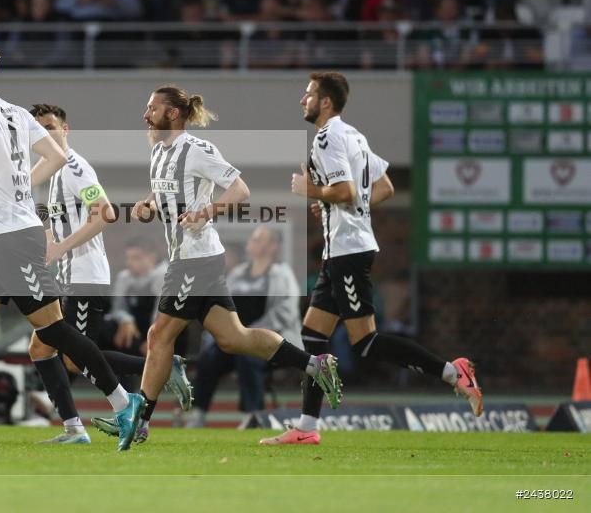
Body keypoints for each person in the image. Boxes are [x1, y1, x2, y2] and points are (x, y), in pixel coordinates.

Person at [0, 36, 141, 450]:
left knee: (52, 331)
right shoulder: (16, 111)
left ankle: (125, 402)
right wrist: (20, 186)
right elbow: (54, 156)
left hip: (12, 239)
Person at [92, 85, 342, 446]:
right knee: (233, 338)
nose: (146, 115)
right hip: (190, 258)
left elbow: (240, 189)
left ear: (172, 113)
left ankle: (139, 421)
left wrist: (207, 211)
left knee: (158, 335)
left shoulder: (196, 150)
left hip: (196, 260)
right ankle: (314, 366)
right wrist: (148, 205)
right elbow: (166, 196)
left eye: (152, 108)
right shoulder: (159, 151)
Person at [260, 71, 483, 446]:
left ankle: (452, 372)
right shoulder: (355, 135)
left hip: (348, 251)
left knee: (364, 342)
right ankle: (306, 427)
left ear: (325, 101)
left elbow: (345, 190)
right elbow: (384, 187)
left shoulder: (327, 138)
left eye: (309, 94)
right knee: (313, 337)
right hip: (341, 252)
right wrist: (331, 205)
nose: (303, 100)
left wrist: (312, 191)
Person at [27, 104, 191, 445]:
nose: (47, 133)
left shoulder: (74, 167)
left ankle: (157, 368)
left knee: (73, 359)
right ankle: (73, 427)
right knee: (41, 348)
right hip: (67, 276)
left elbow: (105, 212)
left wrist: (60, 248)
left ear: (65, 129)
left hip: (86, 275)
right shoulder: (50, 173)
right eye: (39, 129)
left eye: (51, 126)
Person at [185, 226, 302, 428]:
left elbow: (285, 313)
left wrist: (251, 335)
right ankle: (198, 413)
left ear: (273, 246)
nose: (252, 242)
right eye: (253, 239)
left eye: (259, 239)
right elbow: (222, 306)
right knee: (209, 358)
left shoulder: (283, 274)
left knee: (247, 356)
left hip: (270, 343)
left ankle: (253, 415)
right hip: (236, 339)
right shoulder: (237, 274)